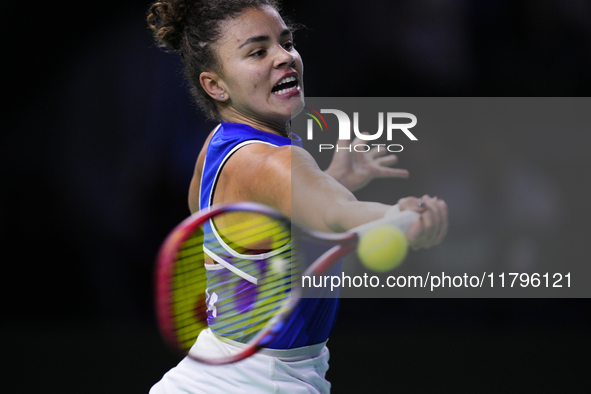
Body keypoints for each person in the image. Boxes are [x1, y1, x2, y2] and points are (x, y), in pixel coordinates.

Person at [147, 1, 447, 392]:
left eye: (285, 43)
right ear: (215, 84)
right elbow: (337, 212)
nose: (284, 58)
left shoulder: (217, 148)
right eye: (257, 51)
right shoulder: (272, 162)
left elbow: (224, 218)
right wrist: (400, 216)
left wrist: (325, 181)